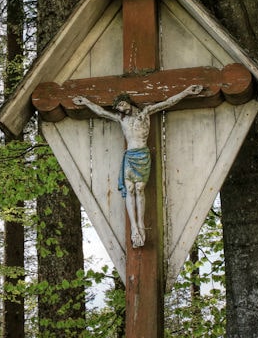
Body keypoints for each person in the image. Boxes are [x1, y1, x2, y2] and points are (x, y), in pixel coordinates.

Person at [72, 84, 203, 248]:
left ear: (127, 102)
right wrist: (85, 102)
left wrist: (185, 92)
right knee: (129, 190)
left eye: (121, 104)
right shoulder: (121, 119)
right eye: (118, 107)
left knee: (139, 188)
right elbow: (101, 111)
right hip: (130, 156)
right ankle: (134, 227)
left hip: (142, 155)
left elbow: (167, 103)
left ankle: (140, 225)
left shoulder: (144, 113)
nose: (120, 108)